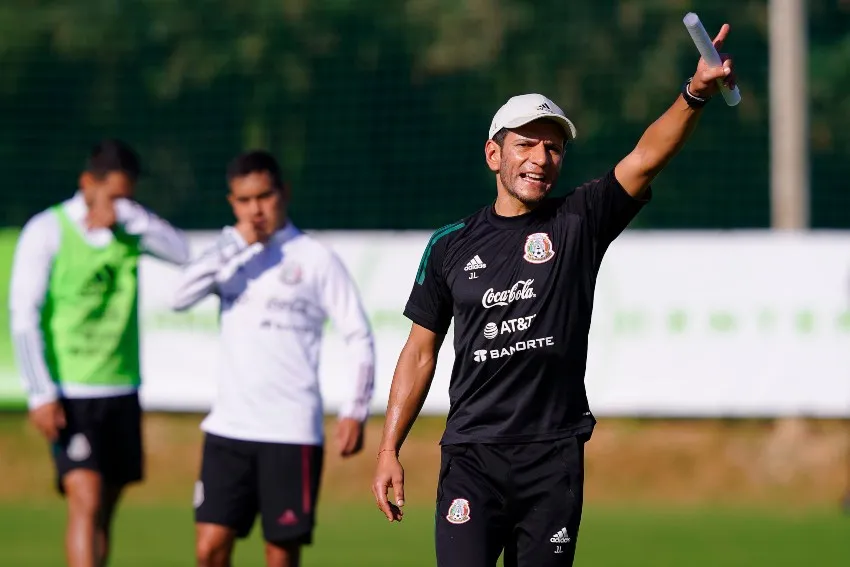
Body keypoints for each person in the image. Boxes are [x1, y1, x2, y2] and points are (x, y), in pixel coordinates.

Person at [372, 24, 738, 567]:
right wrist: (389, 449)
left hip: (552, 459)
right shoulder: (449, 246)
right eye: (526, 144)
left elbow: (645, 159)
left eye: (553, 147)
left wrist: (695, 94)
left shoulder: (579, 220)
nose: (541, 158)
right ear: (494, 155)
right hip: (471, 456)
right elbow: (420, 352)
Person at [171, 150, 376, 567]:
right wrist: (235, 242)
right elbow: (178, 297)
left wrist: (355, 410)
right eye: (244, 201)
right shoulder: (228, 256)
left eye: (264, 196)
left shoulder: (315, 258)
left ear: (284, 192)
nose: (255, 209)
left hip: (291, 431)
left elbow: (358, 335)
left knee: (279, 554)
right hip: (228, 429)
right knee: (209, 547)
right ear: (232, 203)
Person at [8, 139, 190, 567]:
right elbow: (23, 316)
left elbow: (183, 254)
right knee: (85, 502)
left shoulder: (129, 230)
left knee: (104, 513)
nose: (119, 205)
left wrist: (129, 218)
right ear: (87, 184)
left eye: (129, 198)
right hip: (71, 391)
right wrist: (40, 392)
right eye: (113, 196)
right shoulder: (47, 230)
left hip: (121, 386)